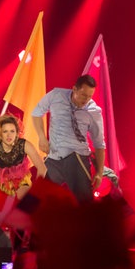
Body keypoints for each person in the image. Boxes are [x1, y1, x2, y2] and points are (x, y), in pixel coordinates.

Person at [31, 74, 105, 203]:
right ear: (74, 89)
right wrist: (42, 138)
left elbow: (99, 144)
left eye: (90, 96)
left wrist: (99, 172)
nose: (86, 99)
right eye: (83, 95)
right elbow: (36, 113)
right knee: (37, 198)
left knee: (84, 204)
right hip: (54, 157)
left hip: (77, 158)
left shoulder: (94, 111)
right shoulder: (56, 95)